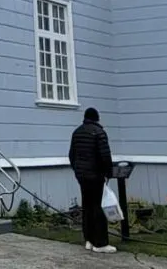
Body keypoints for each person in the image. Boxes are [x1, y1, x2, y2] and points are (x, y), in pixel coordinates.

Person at [68, 107, 116, 253]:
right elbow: (105, 156)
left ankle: (88, 240)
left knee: (87, 206)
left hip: (82, 176)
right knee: (98, 207)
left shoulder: (77, 132)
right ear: (97, 118)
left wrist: (77, 171)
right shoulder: (99, 132)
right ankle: (100, 243)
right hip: (96, 175)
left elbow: (71, 155)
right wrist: (108, 173)